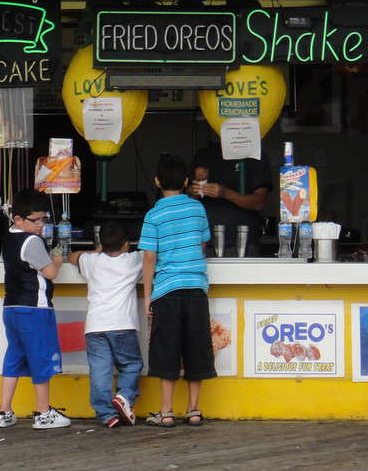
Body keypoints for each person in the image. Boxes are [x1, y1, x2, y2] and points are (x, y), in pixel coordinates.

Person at [138, 153, 214, 428]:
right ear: (185, 181)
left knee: (166, 350)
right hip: (195, 289)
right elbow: (202, 246)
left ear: (157, 181)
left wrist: (148, 296)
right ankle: (194, 410)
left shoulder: (154, 214)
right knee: (197, 348)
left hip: (167, 291)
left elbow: (149, 258)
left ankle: (166, 411)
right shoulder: (197, 209)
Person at [0, 188, 71, 430]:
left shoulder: (9, 238)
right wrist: (57, 257)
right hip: (34, 310)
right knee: (41, 360)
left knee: (14, 358)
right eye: (36, 220)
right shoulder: (33, 241)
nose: (41, 225)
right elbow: (51, 273)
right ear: (18, 219)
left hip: (11, 308)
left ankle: (3, 411)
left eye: (44, 219)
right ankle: (43, 413)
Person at [67, 220, 143, 427]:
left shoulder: (92, 261)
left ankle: (106, 415)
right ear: (126, 244)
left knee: (100, 371)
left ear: (101, 244)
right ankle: (125, 397)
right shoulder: (133, 260)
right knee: (131, 365)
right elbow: (154, 256)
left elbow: (71, 256)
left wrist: (95, 252)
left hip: (95, 326)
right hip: (122, 324)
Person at [189, 142, 271, 256]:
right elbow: (187, 196)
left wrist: (225, 193)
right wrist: (194, 191)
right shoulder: (204, 154)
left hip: (242, 243)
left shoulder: (255, 153)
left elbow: (259, 202)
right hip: (204, 243)